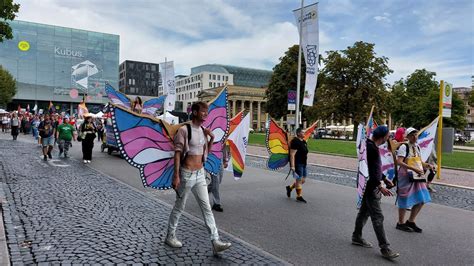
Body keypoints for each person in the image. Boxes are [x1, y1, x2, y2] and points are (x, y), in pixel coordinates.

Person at [165, 101, 231, 255]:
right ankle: (170, 235)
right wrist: (176, 175)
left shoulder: (203, 130)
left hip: (200, 175)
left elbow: (205, 154)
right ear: (194, 112)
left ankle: (215, 241)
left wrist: (212, 139)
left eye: (206, 112)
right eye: (203, 112)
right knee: (179, 207)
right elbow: (177, 153)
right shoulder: (184, 130)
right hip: (186, 174)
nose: (205, 115)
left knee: (207, 208)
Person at [352, 126, 399, 260]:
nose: (389, 138)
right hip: (371, 186)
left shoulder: (368, 145)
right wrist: (380, 185)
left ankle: (356, 236)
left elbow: (374, 168)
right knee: (378, 217)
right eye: (388, 136)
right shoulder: (371, 148)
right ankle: (385, 248)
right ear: (383, 136)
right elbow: (370, 171)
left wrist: (384, 179)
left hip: (368, 184)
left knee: (364, 212)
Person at [395, 127, 434, 233]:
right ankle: (400, 223)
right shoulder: (404, 146)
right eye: (412, 135)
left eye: (416, 134)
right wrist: (413, 168)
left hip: (417, 175)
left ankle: (411, 221)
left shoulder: (417, 147)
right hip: (405, 176)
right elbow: (399, 162)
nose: (415, 136)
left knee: (422, 199)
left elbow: (419, 162)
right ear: (407, 136)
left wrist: (428, 165)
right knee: (404, 198)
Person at [286, 127, 309, 203]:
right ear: (298, 133)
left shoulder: (304, 141)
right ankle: (299, 196)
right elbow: (292, 154)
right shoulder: (295, 142)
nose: (304, 133)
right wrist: (292, 166)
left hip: (304, 163)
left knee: (302, 180)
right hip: (298, 163)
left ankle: (290, 188)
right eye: (303, 132)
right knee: (299, 180)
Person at [208, 144, 230, 212]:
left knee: (218, 181)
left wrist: (225, 160)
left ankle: (204, 191)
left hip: (220, 159)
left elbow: (225, 148)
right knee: (216, 181)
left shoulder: (224, 136)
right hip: (212, 159)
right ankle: (216, 203)